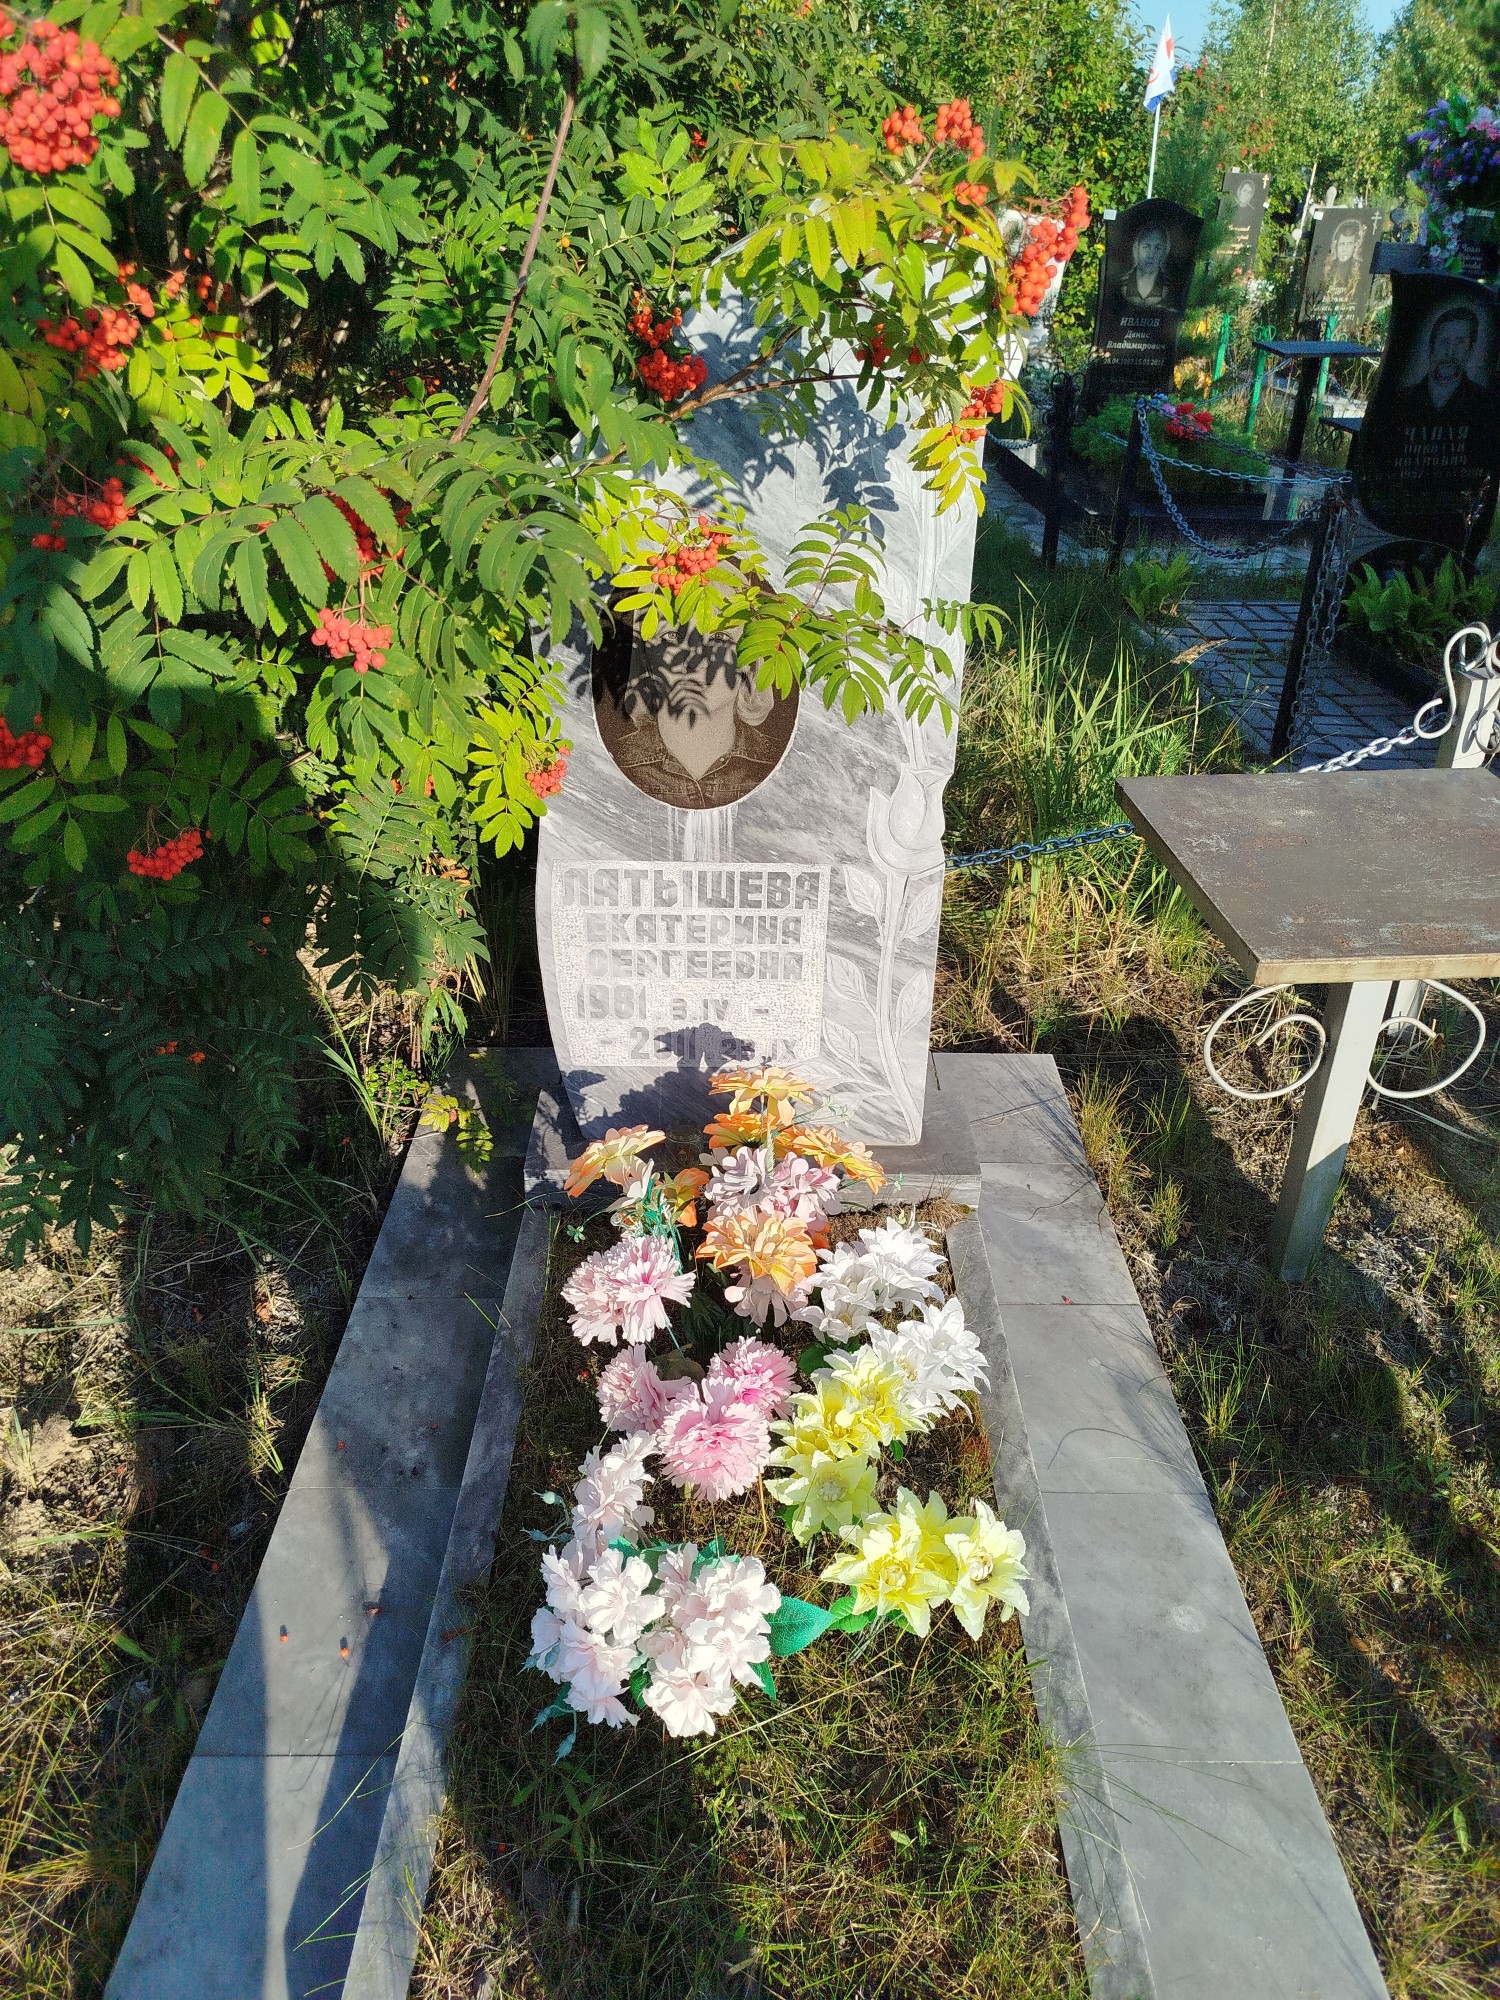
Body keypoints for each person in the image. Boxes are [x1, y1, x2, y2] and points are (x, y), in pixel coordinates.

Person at [599, 623, 788, 810]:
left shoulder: (781, 772)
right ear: (645, 656)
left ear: (750, 660)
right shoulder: (609, 765)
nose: (694, 662)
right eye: (672, 636)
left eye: (719, 637)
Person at [1119, 223, 1173, 307]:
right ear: (1136, 248)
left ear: (1165, 252)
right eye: (1146, 247)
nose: (1151, 255)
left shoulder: (1171, 286)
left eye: (1158, 248)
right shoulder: (1120, 283)